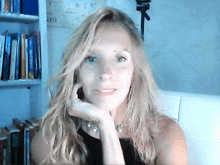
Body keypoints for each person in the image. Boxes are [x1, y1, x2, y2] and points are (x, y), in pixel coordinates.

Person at [31, 7, 187, 165]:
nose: (105, 73)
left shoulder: (167, 134)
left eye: (120, 58)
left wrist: (105, 126)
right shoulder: (49, 141)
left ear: (135, 72)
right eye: (91, 58)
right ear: (77, 70)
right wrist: (105, 122)